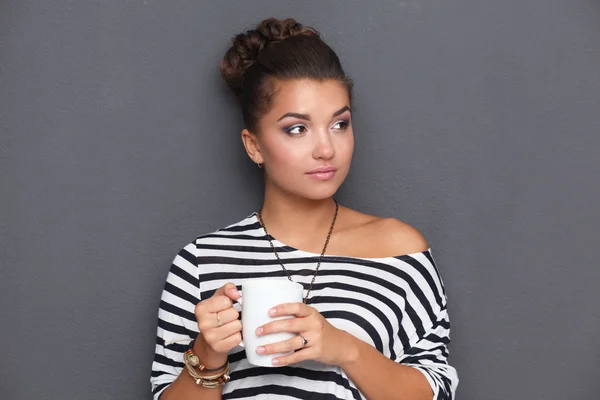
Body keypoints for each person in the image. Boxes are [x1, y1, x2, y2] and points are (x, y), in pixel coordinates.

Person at [150, 17, 458, 400]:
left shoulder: (398, 250)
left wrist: (344, 348)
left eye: (339, 124)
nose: (325, 149)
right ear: (254, 145)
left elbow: (435, 392)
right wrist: (208, 355)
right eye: (297, 129)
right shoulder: (200, 262)